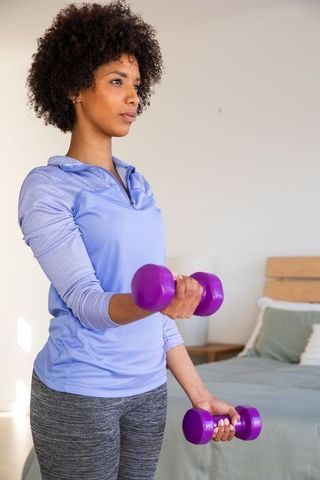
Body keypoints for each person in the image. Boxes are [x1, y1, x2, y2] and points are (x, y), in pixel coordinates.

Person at [18, 2, 240, 479]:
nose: (133, 98)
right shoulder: (49, 187)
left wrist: (199, 393)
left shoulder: (139, 186)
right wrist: (157, 300)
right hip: (81, 392)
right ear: (75, 86)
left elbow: (155, 315)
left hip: (148, 391)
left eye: (136, 86)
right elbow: (88, 303)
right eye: (116, 81)